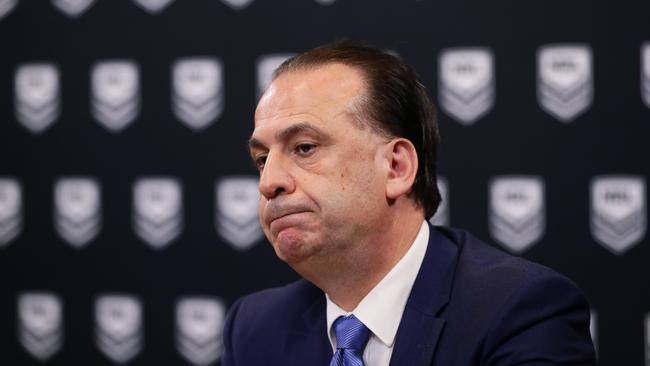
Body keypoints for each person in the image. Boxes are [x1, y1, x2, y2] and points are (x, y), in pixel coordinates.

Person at [222, 41, 596, 366]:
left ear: (397, 167)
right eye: (261, 160)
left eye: (305, 148)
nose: (269, 182)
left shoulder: (519, 312)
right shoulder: (254, 329)